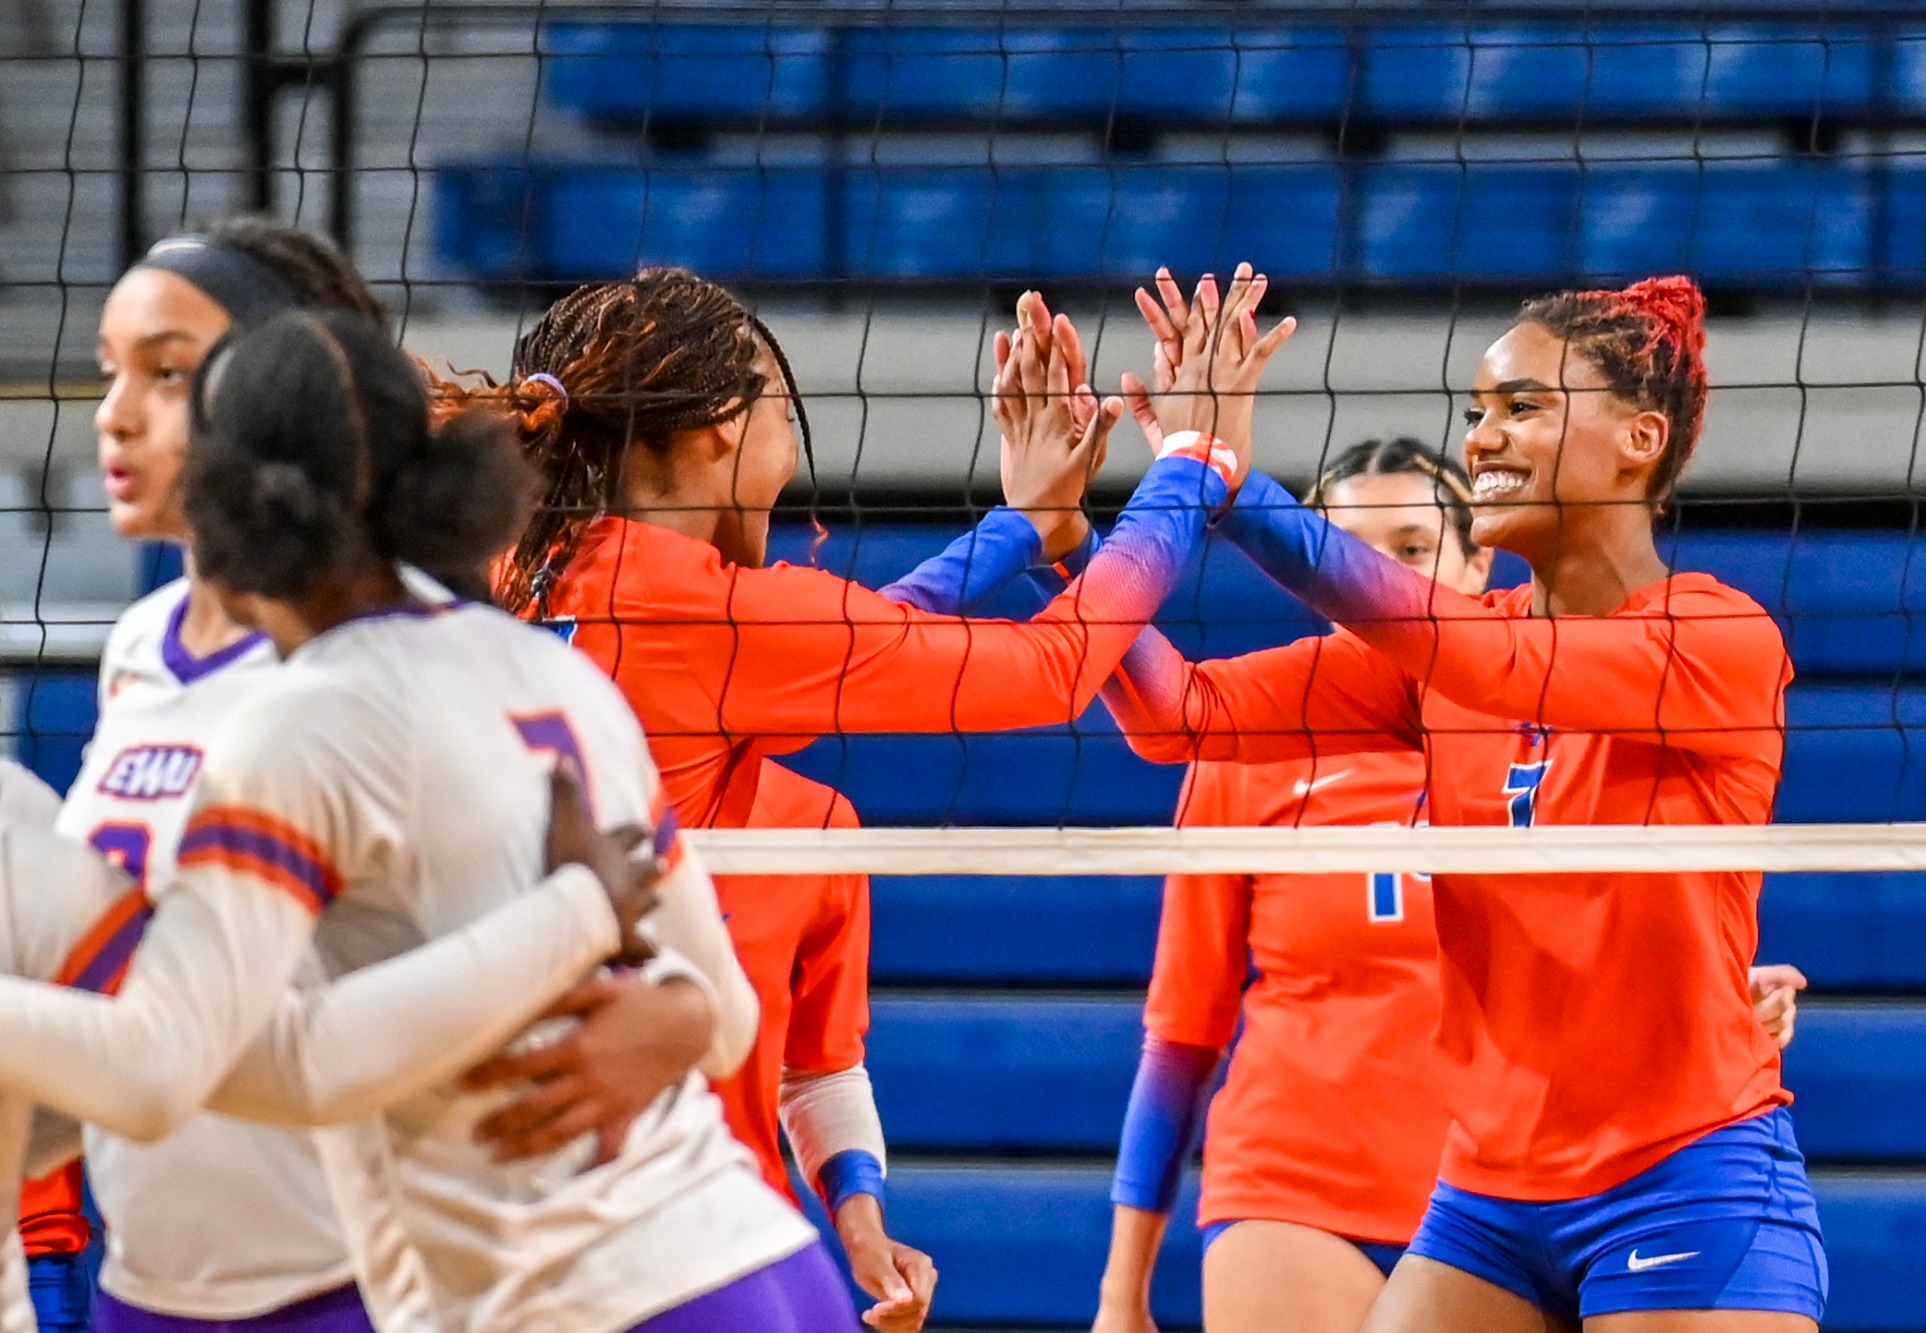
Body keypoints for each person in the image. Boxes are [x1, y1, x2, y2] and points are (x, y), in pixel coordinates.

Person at [432, 266, 1290, 1329]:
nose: (790, 452)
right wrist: (1192, 463)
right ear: (717, 431)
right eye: (782, 415)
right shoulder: (704, 613)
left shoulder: (524, 570)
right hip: (652, 1191)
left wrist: (1022, 528)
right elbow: (1050, 672)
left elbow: (836, 641)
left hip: (472, 1166)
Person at [0, 307, 840, 1332]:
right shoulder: (549, 669)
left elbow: (196, 1065)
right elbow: (728, 1022)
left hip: (582, 1304)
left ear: (226, 501)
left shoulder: (299, 727)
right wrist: (610, 953)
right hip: (761, 1263)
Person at [1101, 272, 1826, 1330]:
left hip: (1681, 1172)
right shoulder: (1444, 660)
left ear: (1637, 437)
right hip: (1488, 1195)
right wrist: (1067, 534)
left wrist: (1232, 480)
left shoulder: (1713, 639)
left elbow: (1482, 658)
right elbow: (1174, 712)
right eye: (1475, 412)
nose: (1482, 437)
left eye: (1520, 406)